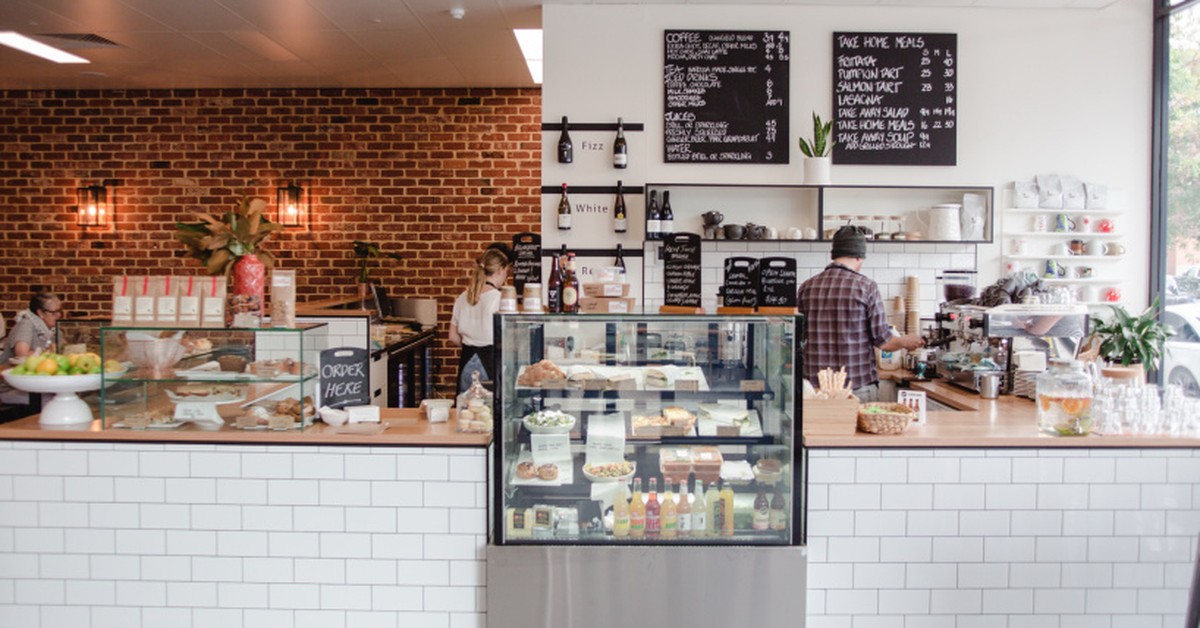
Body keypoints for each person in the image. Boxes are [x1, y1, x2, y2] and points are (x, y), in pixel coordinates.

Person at [797, 226, 924, 401]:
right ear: (859, 256)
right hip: (856, 387)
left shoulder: (807, 287)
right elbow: (884, 341)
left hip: (816, 390)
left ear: (834, 254)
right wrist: (905, 341)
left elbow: (798, 337)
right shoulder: (866, 287)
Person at [449, 246, 512, 392]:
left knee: (466, 405)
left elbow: (452, 336)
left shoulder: (463, 297)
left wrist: (471, 346)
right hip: (491, 363)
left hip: (466, 362)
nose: (506, 277)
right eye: (506, 272)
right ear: (500, 270)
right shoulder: (500, 299)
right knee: (489, 406)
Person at [1, 291, 63, 365]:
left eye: (59, 311)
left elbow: (63, 350)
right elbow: (22, 354)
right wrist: (49, 353)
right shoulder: (26, 324)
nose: (59, 315)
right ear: (40, 313)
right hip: (9, 370)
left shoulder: (54, 329)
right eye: (54, 312)